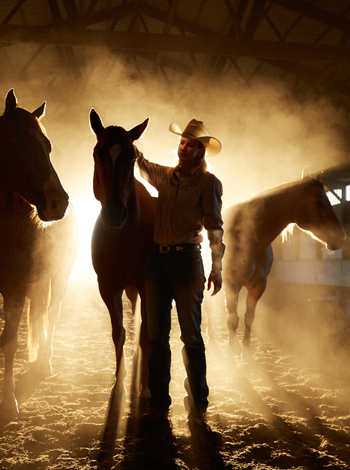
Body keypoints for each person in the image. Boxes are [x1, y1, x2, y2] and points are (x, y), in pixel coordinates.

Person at [135, 119, 224, 428]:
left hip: (187, 263)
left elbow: (214, 228)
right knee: (157, 337)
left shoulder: (208, 183)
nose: (184, 148)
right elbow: (141, 163)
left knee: (191, 336)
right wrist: (122, 139)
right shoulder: (166, 176)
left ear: (201, 152)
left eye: (191, 145)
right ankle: (159, 403)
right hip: (156, 262)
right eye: (182, 143)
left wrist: (217, 266)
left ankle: (198, 403)